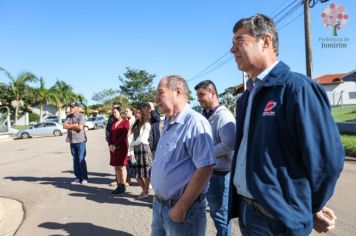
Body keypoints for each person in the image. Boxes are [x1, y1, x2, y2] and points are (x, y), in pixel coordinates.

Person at [228, 14, 345, 235]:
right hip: (247, 212)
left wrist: (307, 207)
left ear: (265, 41)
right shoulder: (247, 97)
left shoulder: (296, 88)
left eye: (239, 41)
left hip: (277, 220)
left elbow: (327, 160)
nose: (232, 50)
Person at [151, 75, 216, 236]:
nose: (156, 99)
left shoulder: (195, 122)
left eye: (160, 93)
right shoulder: (167, 122)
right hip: (160, 206)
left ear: (178, 91)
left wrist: (182, 206)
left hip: (183, 210)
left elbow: (205, 167)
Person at [195, 80, 236, 236]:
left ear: (213, 93)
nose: (198, 98)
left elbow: (229, 144)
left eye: (202, 94)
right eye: (197, 95)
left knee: (221, 215)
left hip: (221, 173)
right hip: (210, 171)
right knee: (216, 213)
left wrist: (205, 152)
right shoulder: (206, 114)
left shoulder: (223, 115)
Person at [130, 105, 153, 199]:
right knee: (136, 174)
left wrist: (131, 145)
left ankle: (145, 191)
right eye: (136, 113)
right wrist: (131, 152)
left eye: (139, 113)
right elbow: (131, 138)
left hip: (144, 150)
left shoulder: (147, 124)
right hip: (135, 150)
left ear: (143, 114)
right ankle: (144, 190)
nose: (136, 114)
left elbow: (142, 139)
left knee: (146, 173)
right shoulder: (135, 125)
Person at [63, 102, 88, 185]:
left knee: (81, 159)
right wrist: (75, 125)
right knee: (75, 159)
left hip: (80, 140)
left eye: (73, 107)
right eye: (70, 107)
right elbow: (64, 126)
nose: (71, 108)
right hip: (72, 140)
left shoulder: (81, 116)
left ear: (77, 108)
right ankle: (78, 178)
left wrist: (70, 125)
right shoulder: (68, 116)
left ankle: (84, 178)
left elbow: (80, 128)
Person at [108, 106, 130, 194]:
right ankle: (119, 185)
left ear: (120, 113)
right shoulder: (113, 123)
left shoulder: (126, 122)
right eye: (113, 112)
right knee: (116, 167)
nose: (114, 114)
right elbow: (110, 135)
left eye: (115, 112)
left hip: (121, 147)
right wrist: (110, 145)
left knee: (122, 166)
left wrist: (116, 145)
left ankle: (123, 185)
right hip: (113, 148)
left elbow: (124, 135)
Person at [106, 102, 122, 186]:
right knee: (115, 163)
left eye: (115, 109)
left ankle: (124, 180)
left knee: (122, 164)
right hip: (112, 143)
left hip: (120, 144)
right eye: (113, 109)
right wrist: (109, 141)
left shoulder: (123, 119)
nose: (113, 110)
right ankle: (118, 179)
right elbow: (108, 129)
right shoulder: (111, 118)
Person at [125, 107, 136, 185]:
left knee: (133, 161)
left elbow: (129, 132)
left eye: (127, 111)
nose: (126, 112)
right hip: (127, 142)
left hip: (132, 142)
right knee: (128, 161)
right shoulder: (127, 120)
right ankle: (128, 179)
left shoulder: (133, 119)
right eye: (125, 111)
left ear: (132, 111)